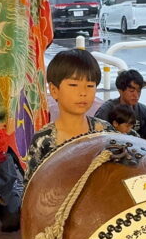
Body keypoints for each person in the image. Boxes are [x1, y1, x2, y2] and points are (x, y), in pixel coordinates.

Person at [25, 49, 112, 181]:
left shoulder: (105, 131)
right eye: (73, 85)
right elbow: (32, 189)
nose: (83, 92)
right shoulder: (43, 140)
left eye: (90, 85)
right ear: (54, 90)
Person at [94, 69, 146, 139]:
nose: (136, 95)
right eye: (131, 91)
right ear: (120, 90)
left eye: (139, 91)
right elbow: (97, 137)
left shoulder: (143, 110)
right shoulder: (106, 111)